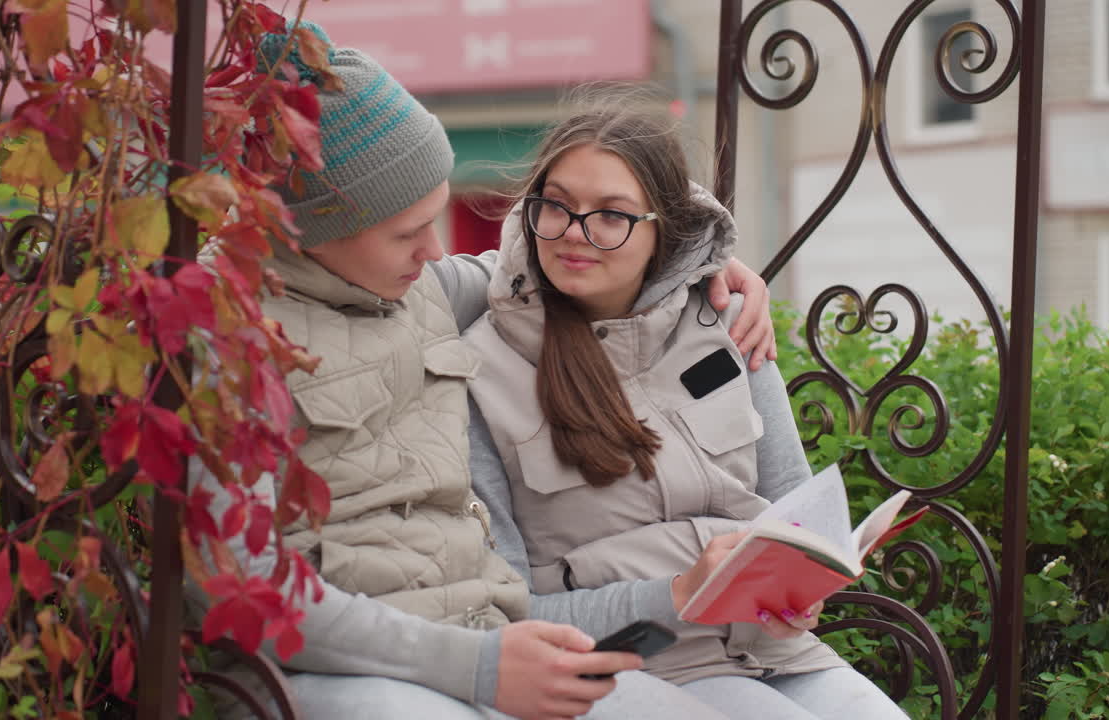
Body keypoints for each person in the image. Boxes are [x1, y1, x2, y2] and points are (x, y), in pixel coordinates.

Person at [189, 24, 778, 720]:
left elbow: (565, 259)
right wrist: (476, 669)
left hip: (490, 641)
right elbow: (240, 589)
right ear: (309, 232)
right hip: (338, 674)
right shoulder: (222, 334)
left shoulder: (423, 288)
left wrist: (704, 263)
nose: (435, 249)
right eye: (409, 233)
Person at [460, 96, 911, 720]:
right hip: (619, 666)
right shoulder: (481, 367)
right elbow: (507, 611)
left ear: (662, 228)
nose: (572, 232)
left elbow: (794, 508)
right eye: (555, 205)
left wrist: (802, 589)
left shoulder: (724, 319)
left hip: (774, 653)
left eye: (612, 216)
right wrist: (677, 594)